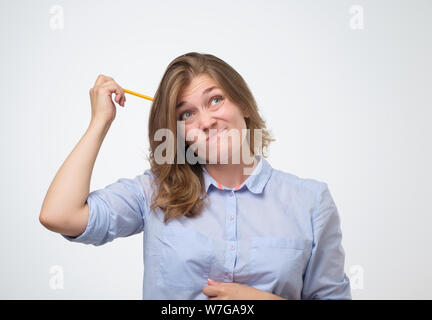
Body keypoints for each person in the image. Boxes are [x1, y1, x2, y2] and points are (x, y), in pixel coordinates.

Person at [39, 52, 351, 300]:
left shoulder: (310, 201)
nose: (206, 121)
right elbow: (59, 215)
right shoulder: (153, 192)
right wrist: (100, 121)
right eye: (186, 114)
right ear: (178, 133)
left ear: (242, 103)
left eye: (215, 100)